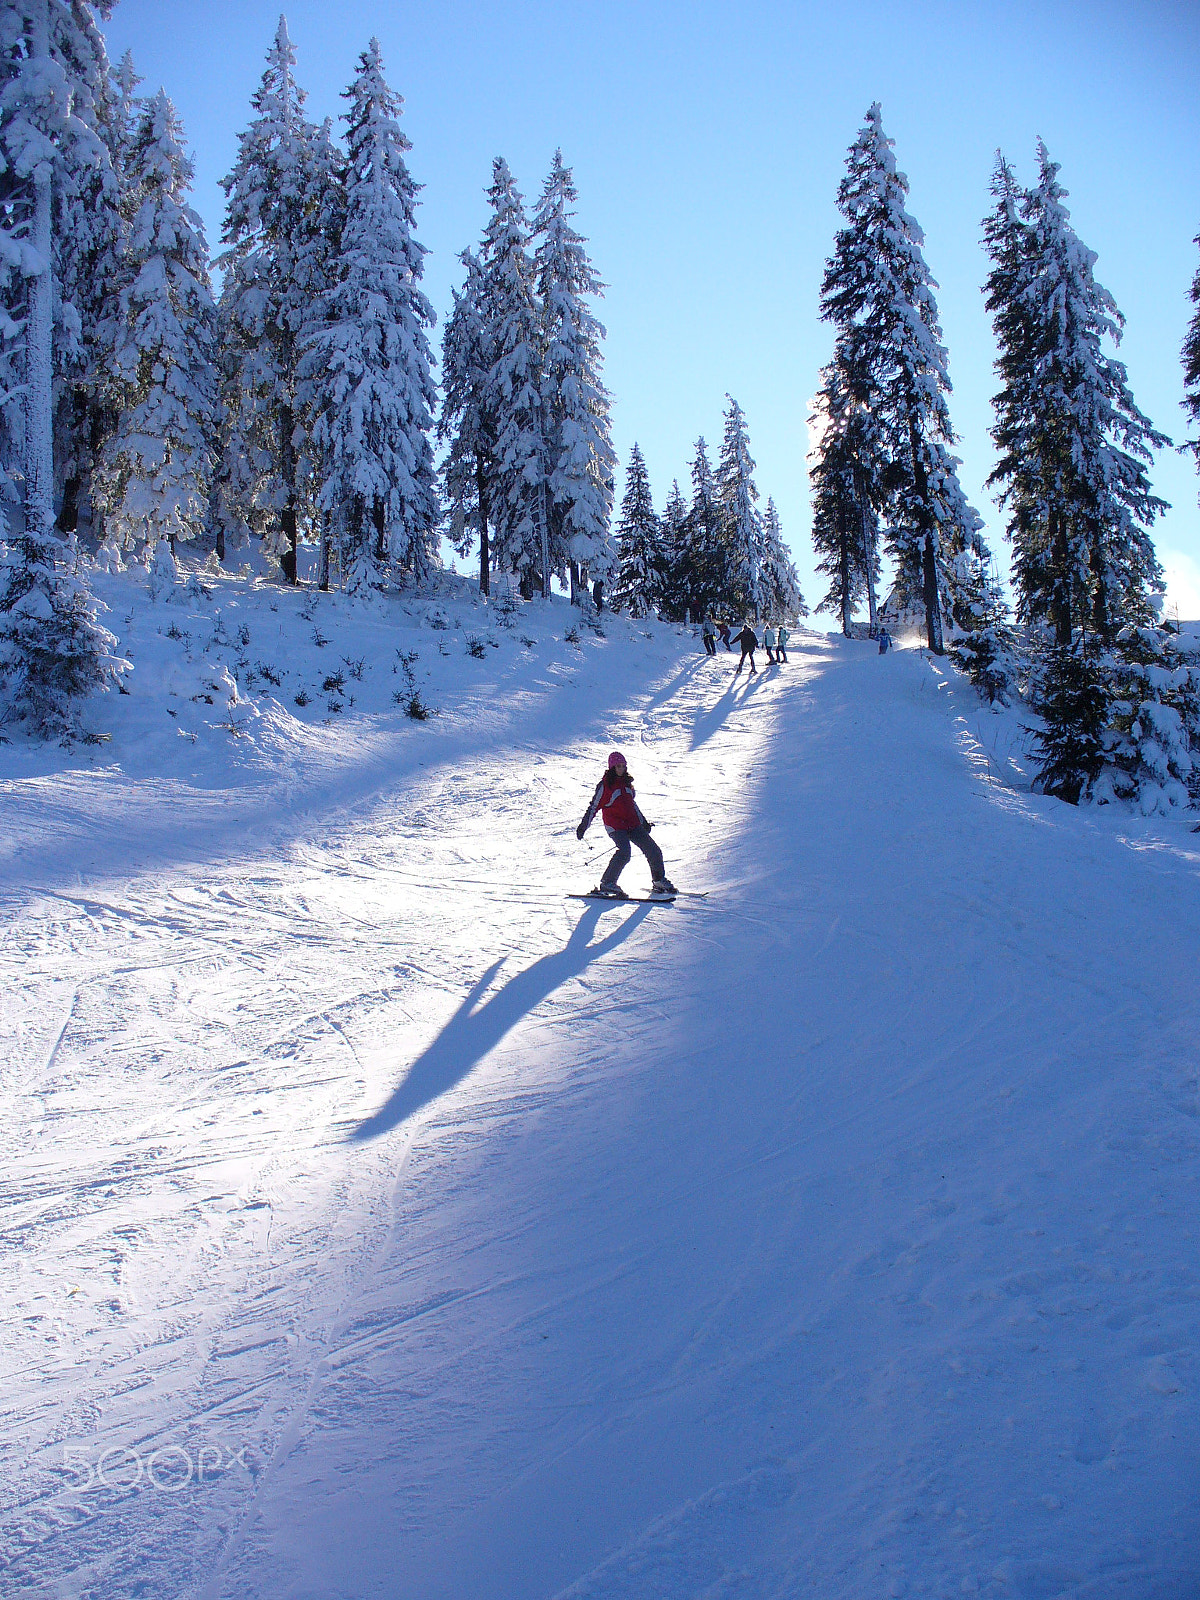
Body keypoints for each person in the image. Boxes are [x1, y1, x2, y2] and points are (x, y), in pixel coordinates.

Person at [577, 750, 677, 899]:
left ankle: (658, 881)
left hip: (633, 824)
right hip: (616, 826)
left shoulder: (627, 784)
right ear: (612, 767)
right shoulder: (605, 786)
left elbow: (632, 804)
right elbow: (594, 807)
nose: (621, 769)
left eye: (623, 766)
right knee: (624, 852)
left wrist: (643, 822)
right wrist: (583, 825)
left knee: (654, 850)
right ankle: (607, 882)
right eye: (618, 766)